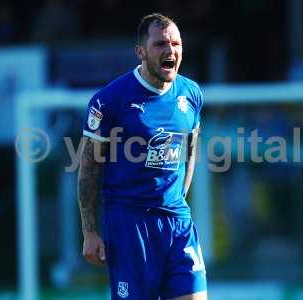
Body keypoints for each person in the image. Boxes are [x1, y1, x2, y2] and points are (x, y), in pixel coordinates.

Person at [78, 13, 207, 300]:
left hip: (177, 223)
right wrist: (90, 231)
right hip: (130, 225)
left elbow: (190, 148)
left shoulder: (191, 94)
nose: (170, 50)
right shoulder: (109, 100)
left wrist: (179, 199)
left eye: (175, 43)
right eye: (160, 44)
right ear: (141, 52)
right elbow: (88, 167)